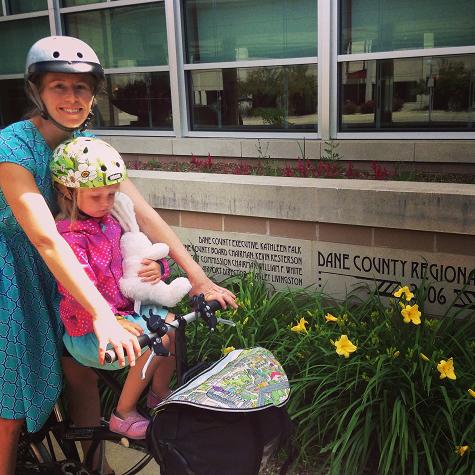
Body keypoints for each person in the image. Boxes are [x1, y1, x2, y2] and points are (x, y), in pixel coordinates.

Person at [0, 35, 236, 475]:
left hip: (79, 270)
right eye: (59, 87)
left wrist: (197, 278)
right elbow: (46, 238)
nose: (73, 98)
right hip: (18, 270)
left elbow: (142, 214)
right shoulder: (13, 149)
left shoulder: (89, 146)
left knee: (80, 375)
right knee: (14, 397)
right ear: (37, 91)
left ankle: (95, 464)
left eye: (82, 88)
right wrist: (103, 316)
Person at [52, 136, 176, 439]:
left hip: (122, 315)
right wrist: (109, 318)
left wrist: (158, 269)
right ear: (67, 191)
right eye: (96, 197)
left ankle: (159, 396)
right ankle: (124, 412)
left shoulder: (111, 221)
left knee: (173, 324)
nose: (106, 203)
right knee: (161, 334)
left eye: (111, 195)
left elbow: (137, 254)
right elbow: (77, 286)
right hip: (90, 331)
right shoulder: (69, 235)